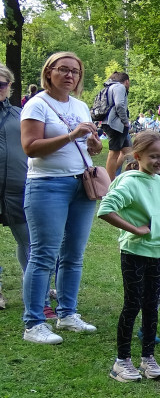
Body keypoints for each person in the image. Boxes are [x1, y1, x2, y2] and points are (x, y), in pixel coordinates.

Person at [20, 52, 103, 344]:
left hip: (81, 185)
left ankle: (68, 314)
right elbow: (31, 147)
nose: (70, 75)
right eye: (63, 70)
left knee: (74, 255)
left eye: (75, 72)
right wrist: (71, 135)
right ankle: (34, 323)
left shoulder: (80, 106)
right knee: (44, 255)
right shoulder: (37, 104)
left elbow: (87, 146)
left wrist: (93, 144)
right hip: (47, 185)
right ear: (49, 72)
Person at [97, 130, 160, 381]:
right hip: (134, 253)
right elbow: (106, 209)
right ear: (139, 156)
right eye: (154, 156)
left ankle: (147, 358)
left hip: (155, 255)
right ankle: (121, 362)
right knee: (133, 304)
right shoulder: (130, 181)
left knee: (152, 306)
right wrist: (135, 229)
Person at [0, 65, 30, 311]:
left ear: (10, 86)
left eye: (2, 84)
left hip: (17, 188)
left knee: (27, 240)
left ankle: (31, 286)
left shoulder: (21, 115)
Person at [98, 71, 132, 179]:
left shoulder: (109, 87)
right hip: (115, 124)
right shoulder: (120, 87)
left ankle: (128, 175)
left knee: (127, 152)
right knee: (114, 153)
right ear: (126, 81)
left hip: (110, 123)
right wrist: (125, 121)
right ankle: (109, 182)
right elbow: (119, 105)